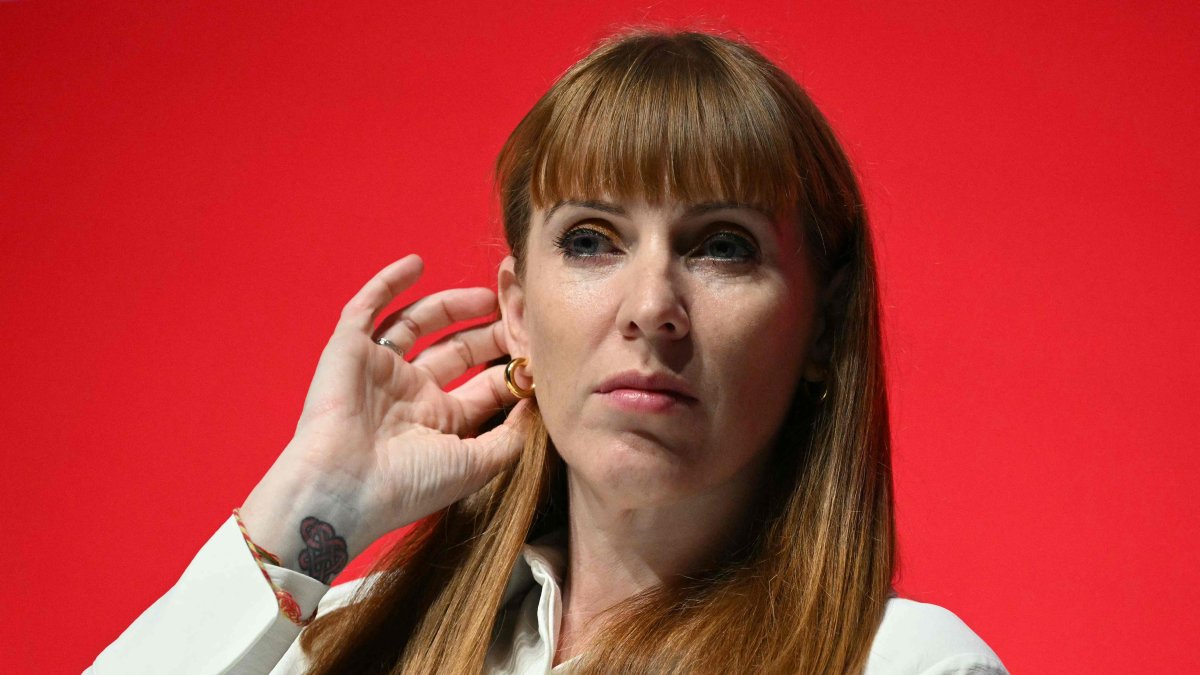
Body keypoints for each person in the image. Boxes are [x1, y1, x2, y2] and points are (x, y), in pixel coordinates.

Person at [89, 29, 1007, 675]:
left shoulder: (910, 666)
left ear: (822, 327)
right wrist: (309, 506)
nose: (651, 308)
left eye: (723, 246)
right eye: (591, 240)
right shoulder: (345, 639)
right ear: (518, 315)